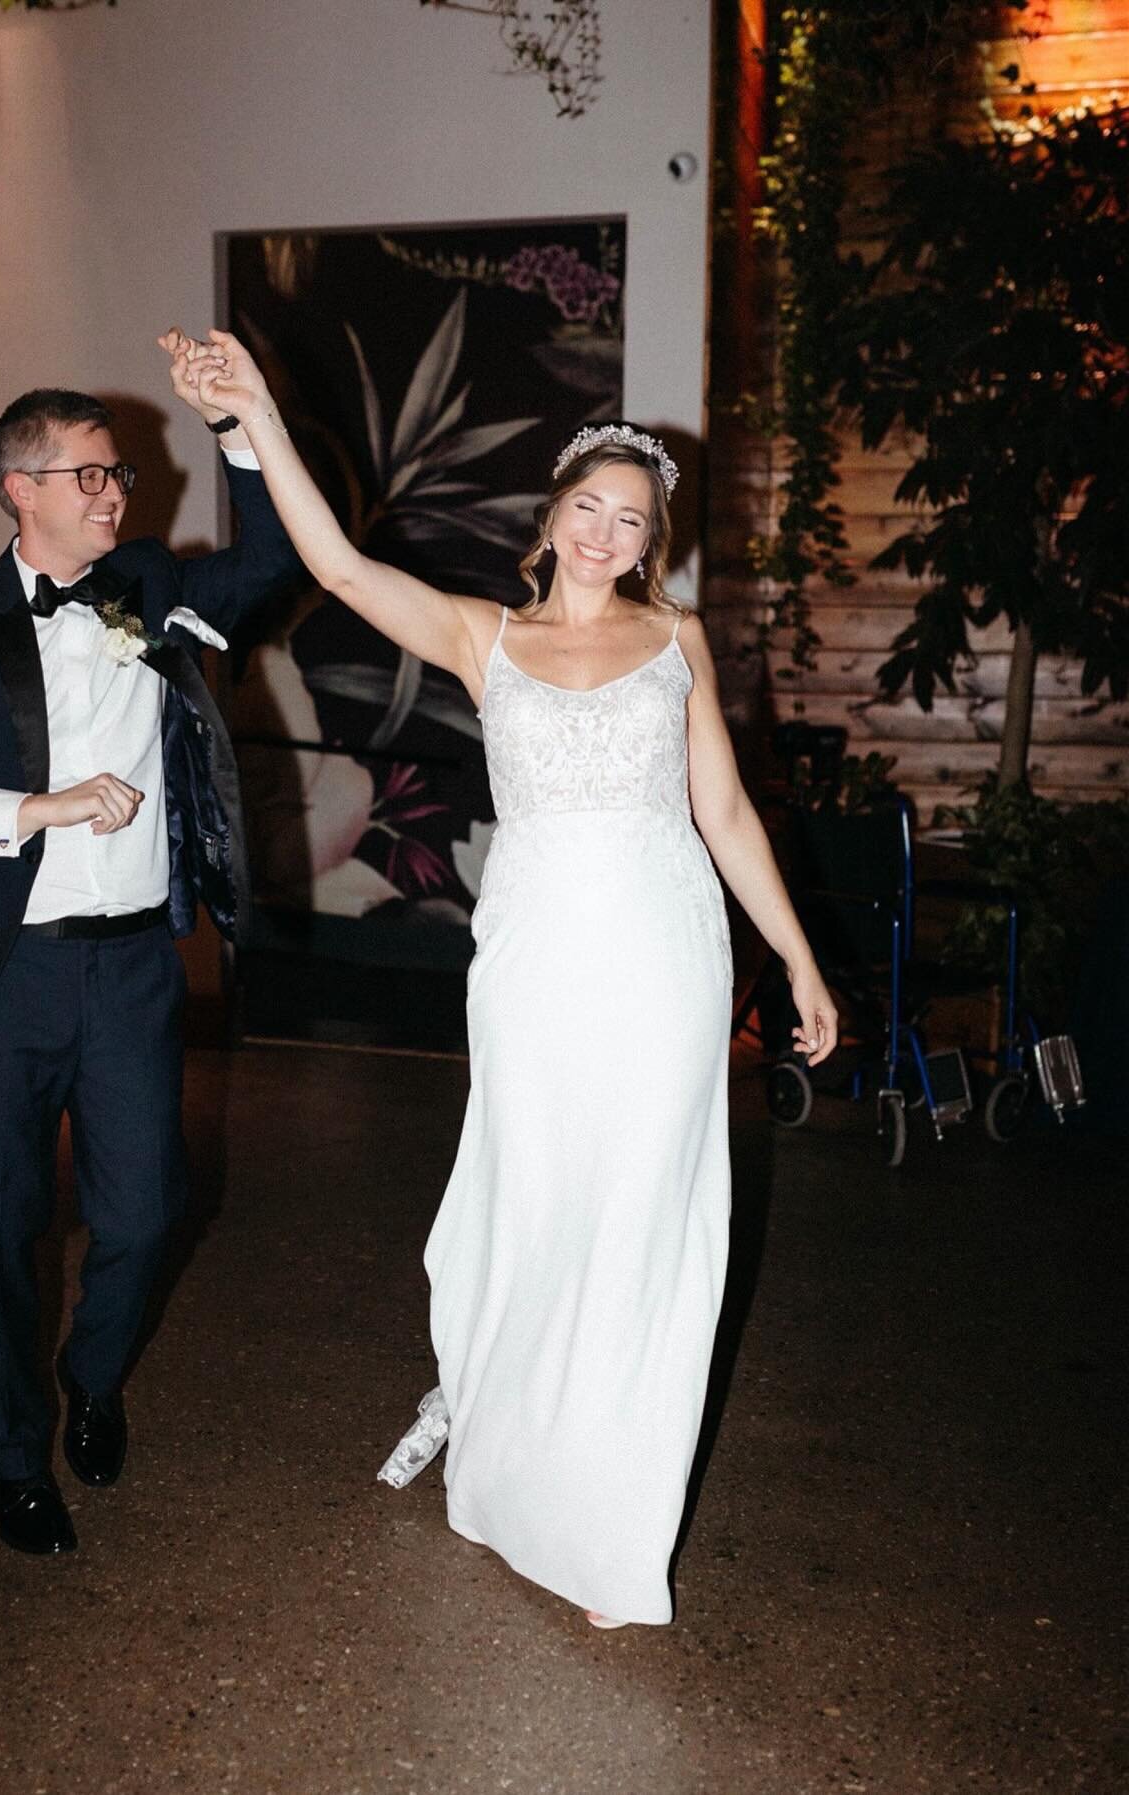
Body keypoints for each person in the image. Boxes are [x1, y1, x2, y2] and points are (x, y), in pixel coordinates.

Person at [185, 329, 838, 1627]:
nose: (605, 532)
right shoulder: (484, 635)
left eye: (631, 518)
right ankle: (496, 1416)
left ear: (652, 541)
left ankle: (607, 1527)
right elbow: (337, 563)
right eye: (587, 507)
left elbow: (725, 810)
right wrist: (255, 405)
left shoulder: (679, 636)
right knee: (541, 1201)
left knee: (643, 1220)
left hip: (665, 953)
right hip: (537, 959)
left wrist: (801, 959)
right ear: (551, 517)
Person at [0, 344, 299, 1555]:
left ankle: (93, 1374)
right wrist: (34, 810)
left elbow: (271, 561)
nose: (115, 494)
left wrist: (236, 426)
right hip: (5, 973)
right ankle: (14, 1458)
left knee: (148, 1212)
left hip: (131, 970)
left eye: (118, 474)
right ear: (22, 487)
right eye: (92, 475)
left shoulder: (148, 587)